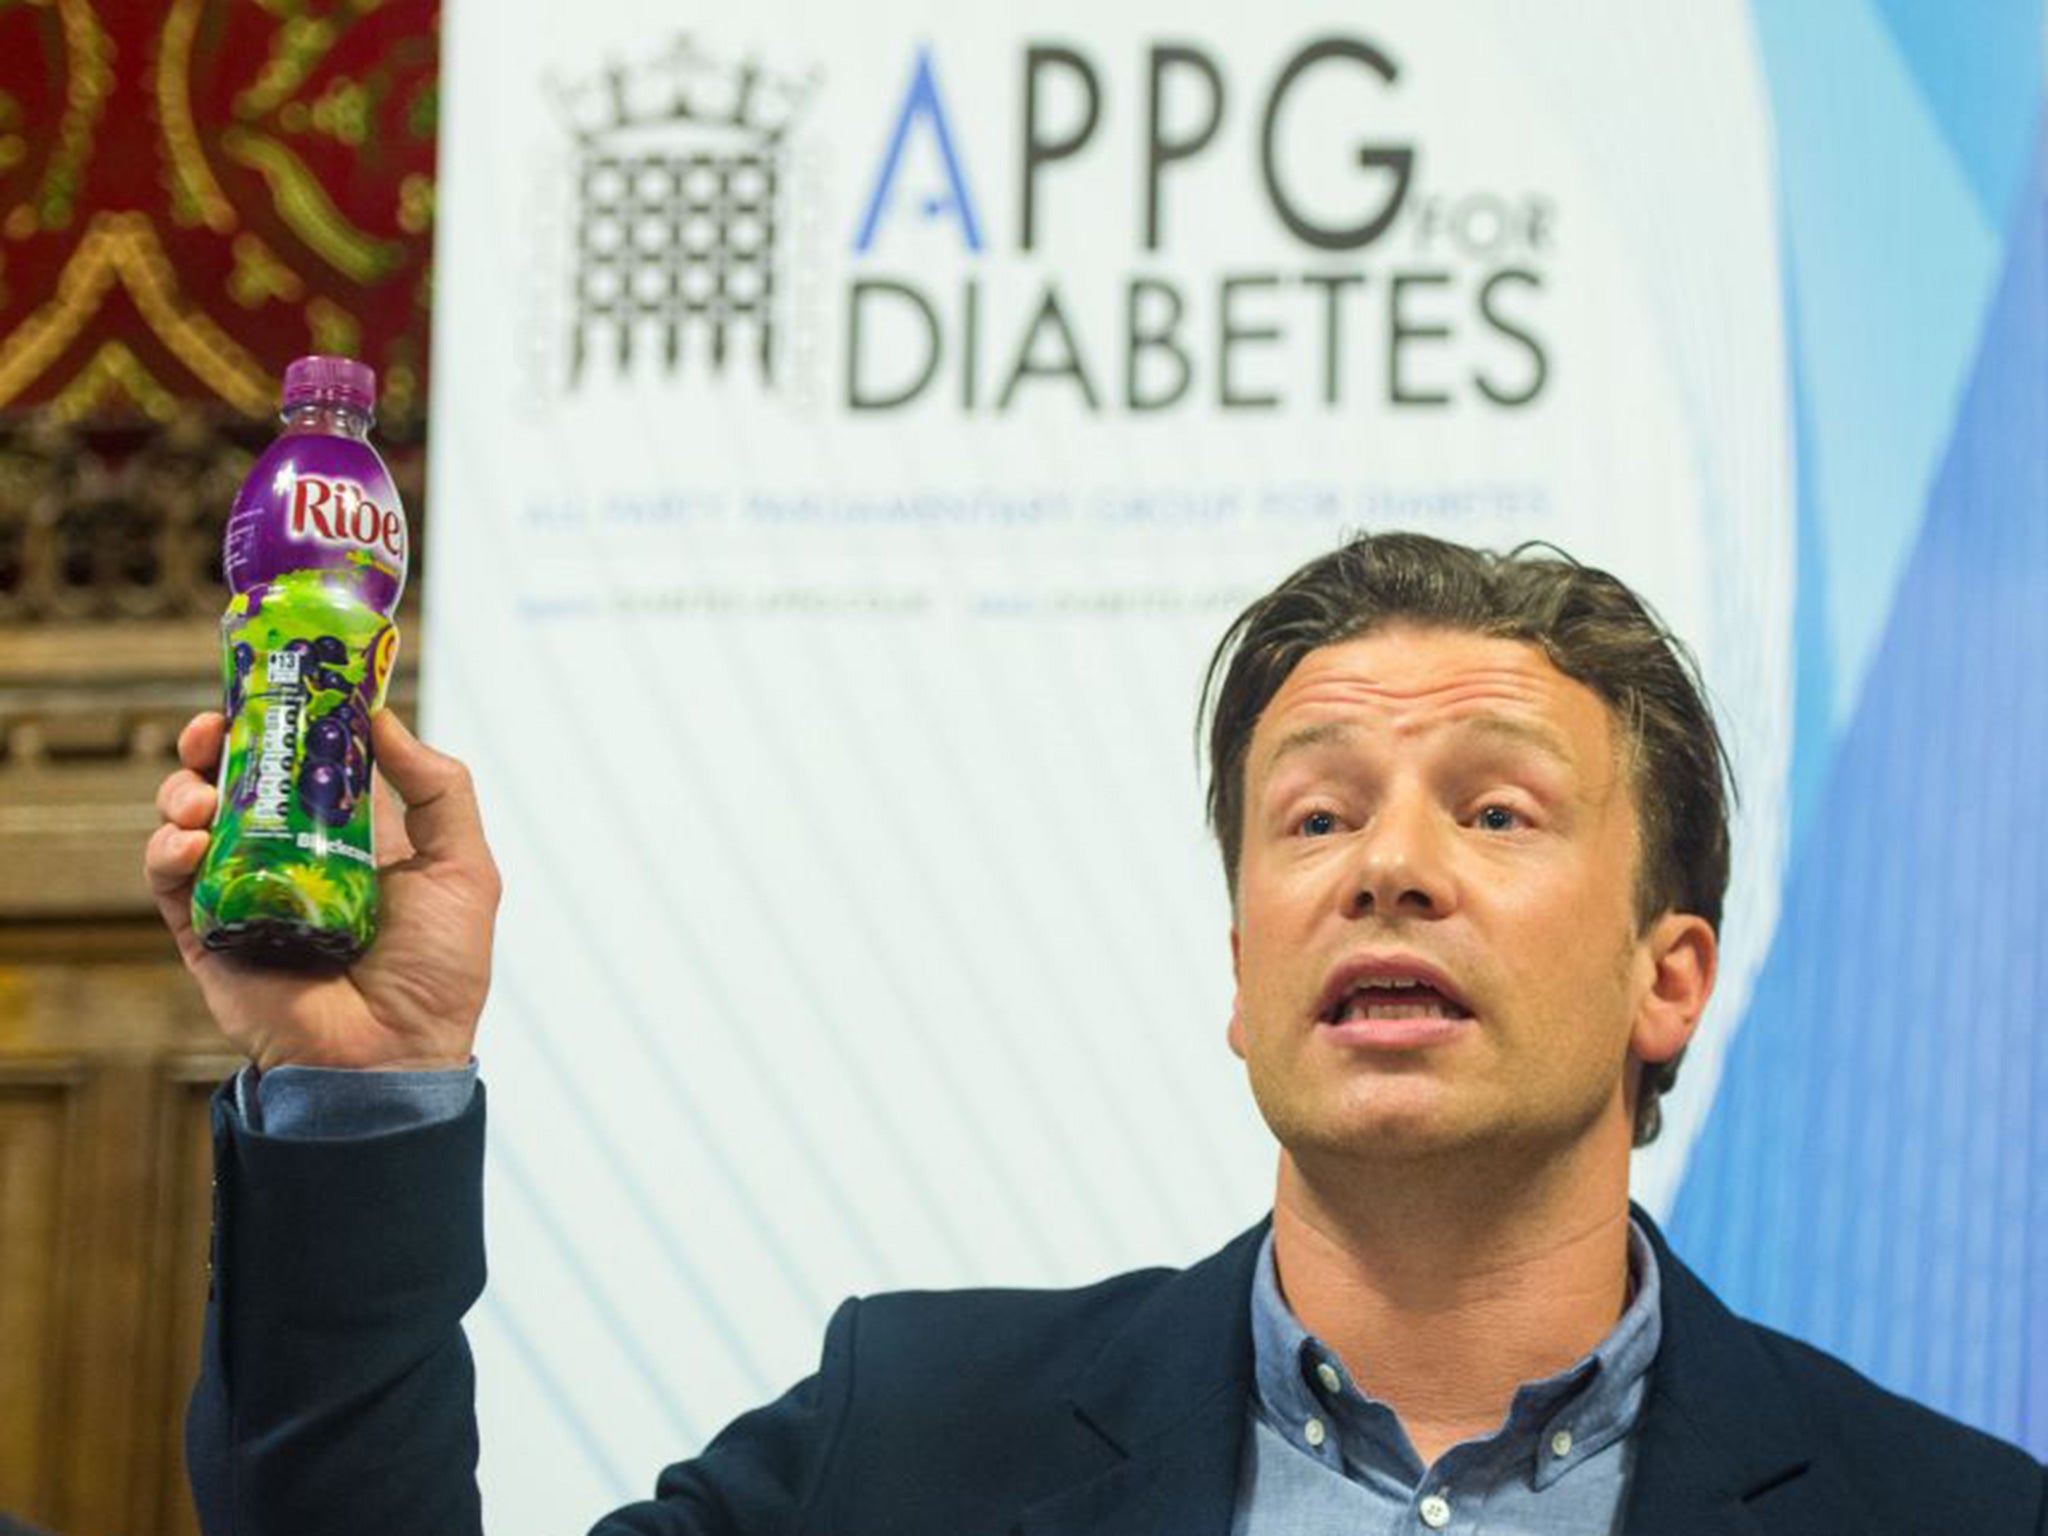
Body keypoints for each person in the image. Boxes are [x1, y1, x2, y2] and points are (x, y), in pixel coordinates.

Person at [146, 533, 2044, 1535]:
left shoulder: (1952, 1516)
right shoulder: (908, 1446)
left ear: (1670, 975)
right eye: (1315, 815)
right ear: (1242, 970)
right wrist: (359, 1077)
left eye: (1492, 808)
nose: (1386, 866)